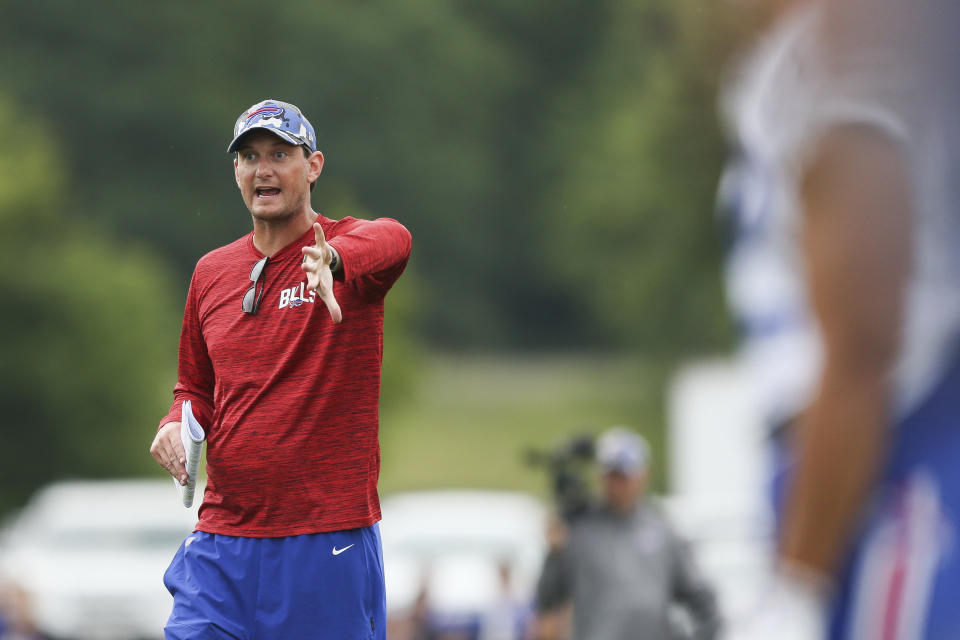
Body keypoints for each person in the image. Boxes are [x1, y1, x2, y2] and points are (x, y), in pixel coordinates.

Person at [719, 1, 960, 637]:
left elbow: (865, 343)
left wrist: (798, 583)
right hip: (867, 480)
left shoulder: (855, 38)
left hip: (895, 492)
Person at [149, 98, 412, 639]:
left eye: (278, 154)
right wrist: (175, 420)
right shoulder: (212, 273)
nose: (262, 169)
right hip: (223, 542)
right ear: (237, 172)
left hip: (324, 537)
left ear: (312, 166)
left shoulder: (343, 251)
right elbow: (194, 386)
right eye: (248, 156)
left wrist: (333, 261)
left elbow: (396, 238)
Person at [532, 427, 720, 640]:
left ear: (643, 476)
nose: (617, 484)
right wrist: (554, 553)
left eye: (624, 475)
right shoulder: (580, 530)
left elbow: (701, 598)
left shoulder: (661, 529)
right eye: (611, 475)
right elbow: (548, 598)